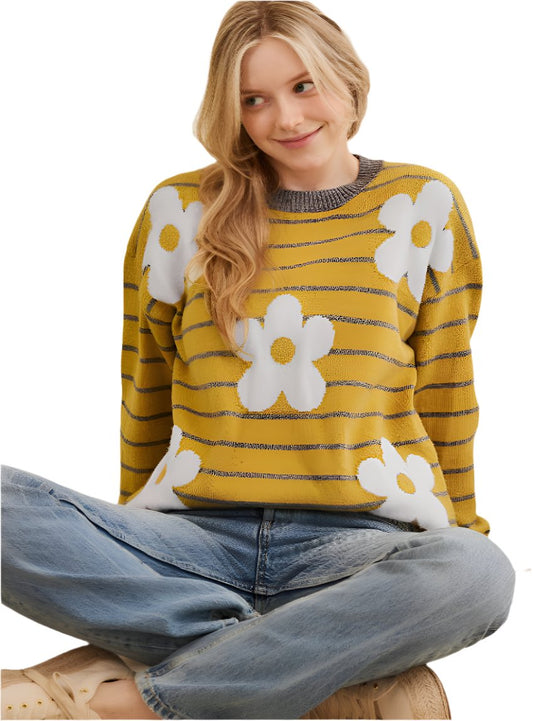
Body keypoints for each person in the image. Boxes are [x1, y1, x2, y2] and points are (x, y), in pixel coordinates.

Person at [1, 1, 515, 719]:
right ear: (230, 109)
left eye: (303, 85)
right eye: (254, 100)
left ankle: (135, 702)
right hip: (193, 541)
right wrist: (126, 551)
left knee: (477, 574)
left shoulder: (422, 205)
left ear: (347, 79)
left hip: (355, 550)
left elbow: (447, 391)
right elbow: (144, 390)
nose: (285, 117)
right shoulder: (178, 211)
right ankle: (317, 671)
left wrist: (456, 533)